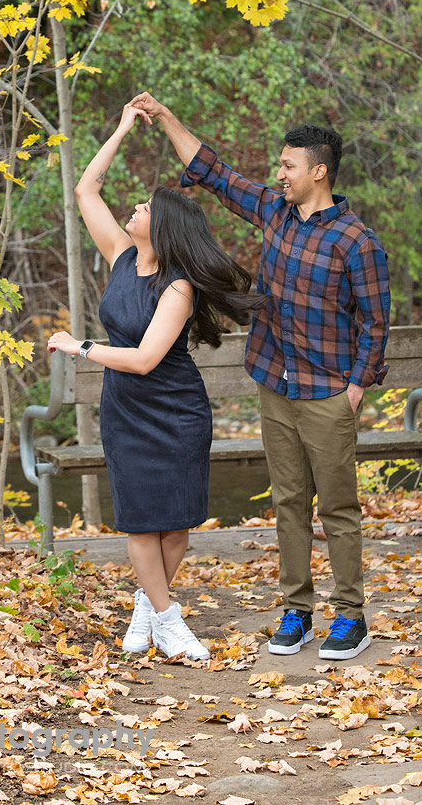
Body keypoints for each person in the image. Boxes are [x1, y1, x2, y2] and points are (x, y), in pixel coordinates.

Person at [130, 92, 390, 662]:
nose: (279, 174)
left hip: (327, 393)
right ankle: (295, 609)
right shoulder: (274, 212)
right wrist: (168, 117)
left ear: (318, 171)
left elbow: (375, 321)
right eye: (279, 165)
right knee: (290, 502)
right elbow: (215, 172)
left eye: (289, 166)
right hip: (275, 384)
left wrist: (355, 387)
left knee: (339, 509)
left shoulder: (356, 242)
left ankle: (351, 615)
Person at [47, 102, 266, 662]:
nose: (135, 207)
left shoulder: (178, 287)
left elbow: (145, 359)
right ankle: (169, 620)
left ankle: (150, 610)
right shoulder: (121, 258)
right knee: (142, 521)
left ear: (163, 227)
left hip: (175, 410)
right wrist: (119, 127)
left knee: (174, 523)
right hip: (127, 413)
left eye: (146, 206)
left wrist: (82, 348)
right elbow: (85, 191)